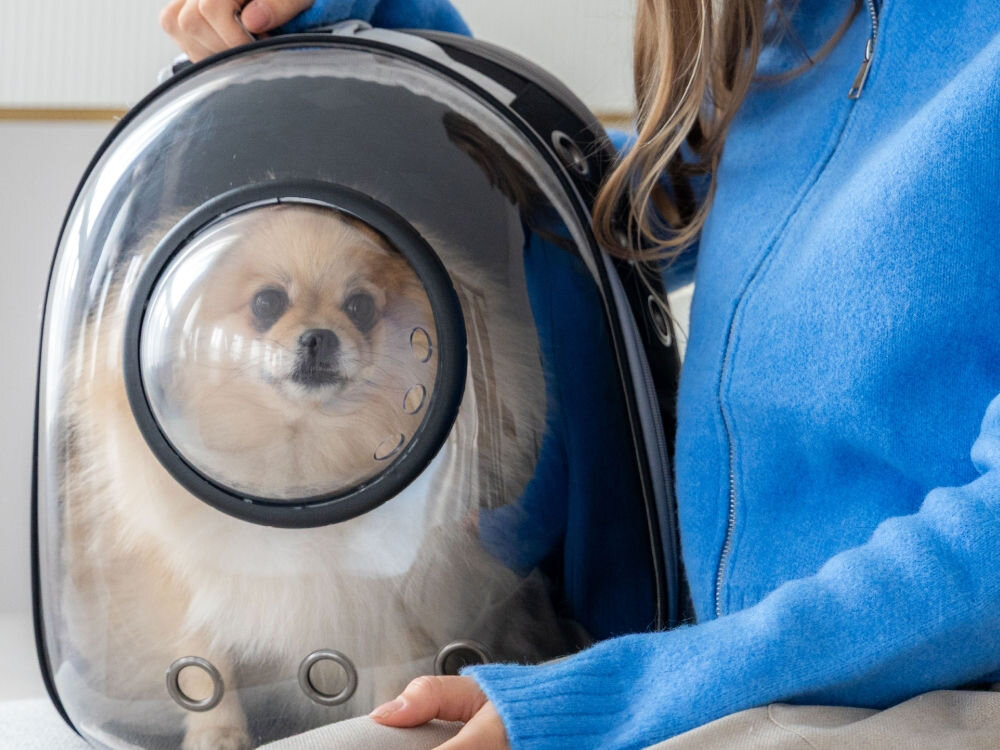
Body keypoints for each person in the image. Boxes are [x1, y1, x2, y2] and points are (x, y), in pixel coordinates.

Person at [160, 1, 1000, 748]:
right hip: (717, 666)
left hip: (926, 682)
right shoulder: (791, 37)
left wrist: (633, 692)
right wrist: (380, 18)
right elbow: (592, 209)